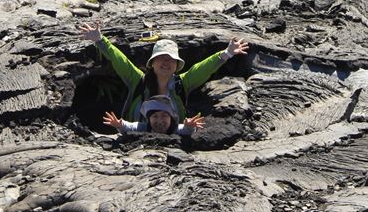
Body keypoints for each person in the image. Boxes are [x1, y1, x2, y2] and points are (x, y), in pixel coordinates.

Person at [79, 20, 248, 121]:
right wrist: (100, 41)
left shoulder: (182, 83)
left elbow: (203, 69)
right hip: (135, 135)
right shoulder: (138, 80)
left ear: (177, 65)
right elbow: (119, 60)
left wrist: (227, 53)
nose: (166, 62)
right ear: (152, 63)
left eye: (171, 59)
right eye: (162, 58)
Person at [103, 95, 205, 136]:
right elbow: (130, 127)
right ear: (148, 119)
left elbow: (186, 131)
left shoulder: (175, 128)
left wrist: (190, 126)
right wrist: (119, 125)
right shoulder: (144, 127)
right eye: (155, 116)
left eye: (164, 116)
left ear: (171, 118)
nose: (160, 120)